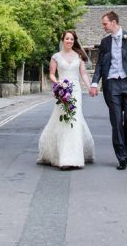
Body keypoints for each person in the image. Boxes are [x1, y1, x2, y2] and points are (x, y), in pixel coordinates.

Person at [90, 11, 127, 170]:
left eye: (105, 23)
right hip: (111, 85)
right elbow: (99, 64)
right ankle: (121, 157)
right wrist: (94, 83)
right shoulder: (105, 42)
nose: (103, 26)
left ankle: (125, 150)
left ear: (114, 22)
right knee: (116, 121)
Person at [37, 30, 95, 169]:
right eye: (67, 39)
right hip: (62, 91)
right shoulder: (56, 57)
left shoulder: (79, 56)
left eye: (72, 39)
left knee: (74, 120)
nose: (69, 41)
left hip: (75, 92)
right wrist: (58, 83)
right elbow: (51, 74)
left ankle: (73, 157)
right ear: (63, 40)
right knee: (63, 120)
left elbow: (83, 74)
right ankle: (62, 156)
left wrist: (89, 87)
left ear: (74, 41)